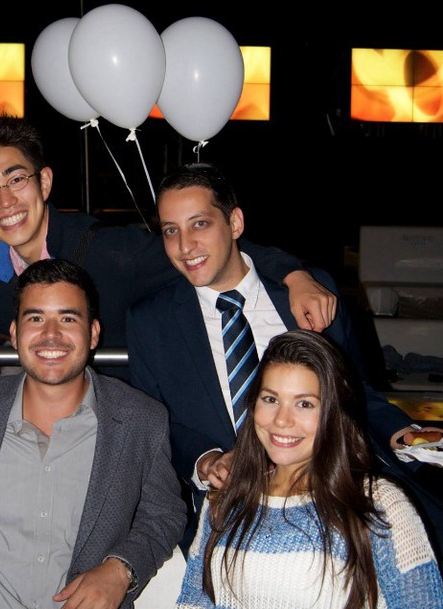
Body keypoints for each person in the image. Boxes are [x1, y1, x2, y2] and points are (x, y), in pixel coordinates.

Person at [0, 109, 338, 383]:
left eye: (16, 179)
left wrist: (294, 275)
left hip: (135, 425)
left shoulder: (109, 251)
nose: (6, 201)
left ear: (44, 182)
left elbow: (207, 250)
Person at [125, 162, 443, 555]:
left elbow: (354, 392)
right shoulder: (151, 321)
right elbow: (155, 421)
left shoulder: (308, 296)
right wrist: (206, 459)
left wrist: (404, 434)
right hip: (232, 514)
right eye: (170, 230)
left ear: (235, 223)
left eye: (200, 224)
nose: (184, 246)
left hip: (337, 493)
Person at [0, 258, 187, 608]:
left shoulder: (140, 420)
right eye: (35, 318)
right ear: (14, 333)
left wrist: (121, 569)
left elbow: (164, 514)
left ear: (93, 333)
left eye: (67, 318)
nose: (51, 334)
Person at [175, 330, 443, 609]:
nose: (282, 420)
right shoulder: (226, 498)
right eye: (271, 399)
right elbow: (195, 600)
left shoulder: (378, 503)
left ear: (333, 413)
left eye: (304, 404)